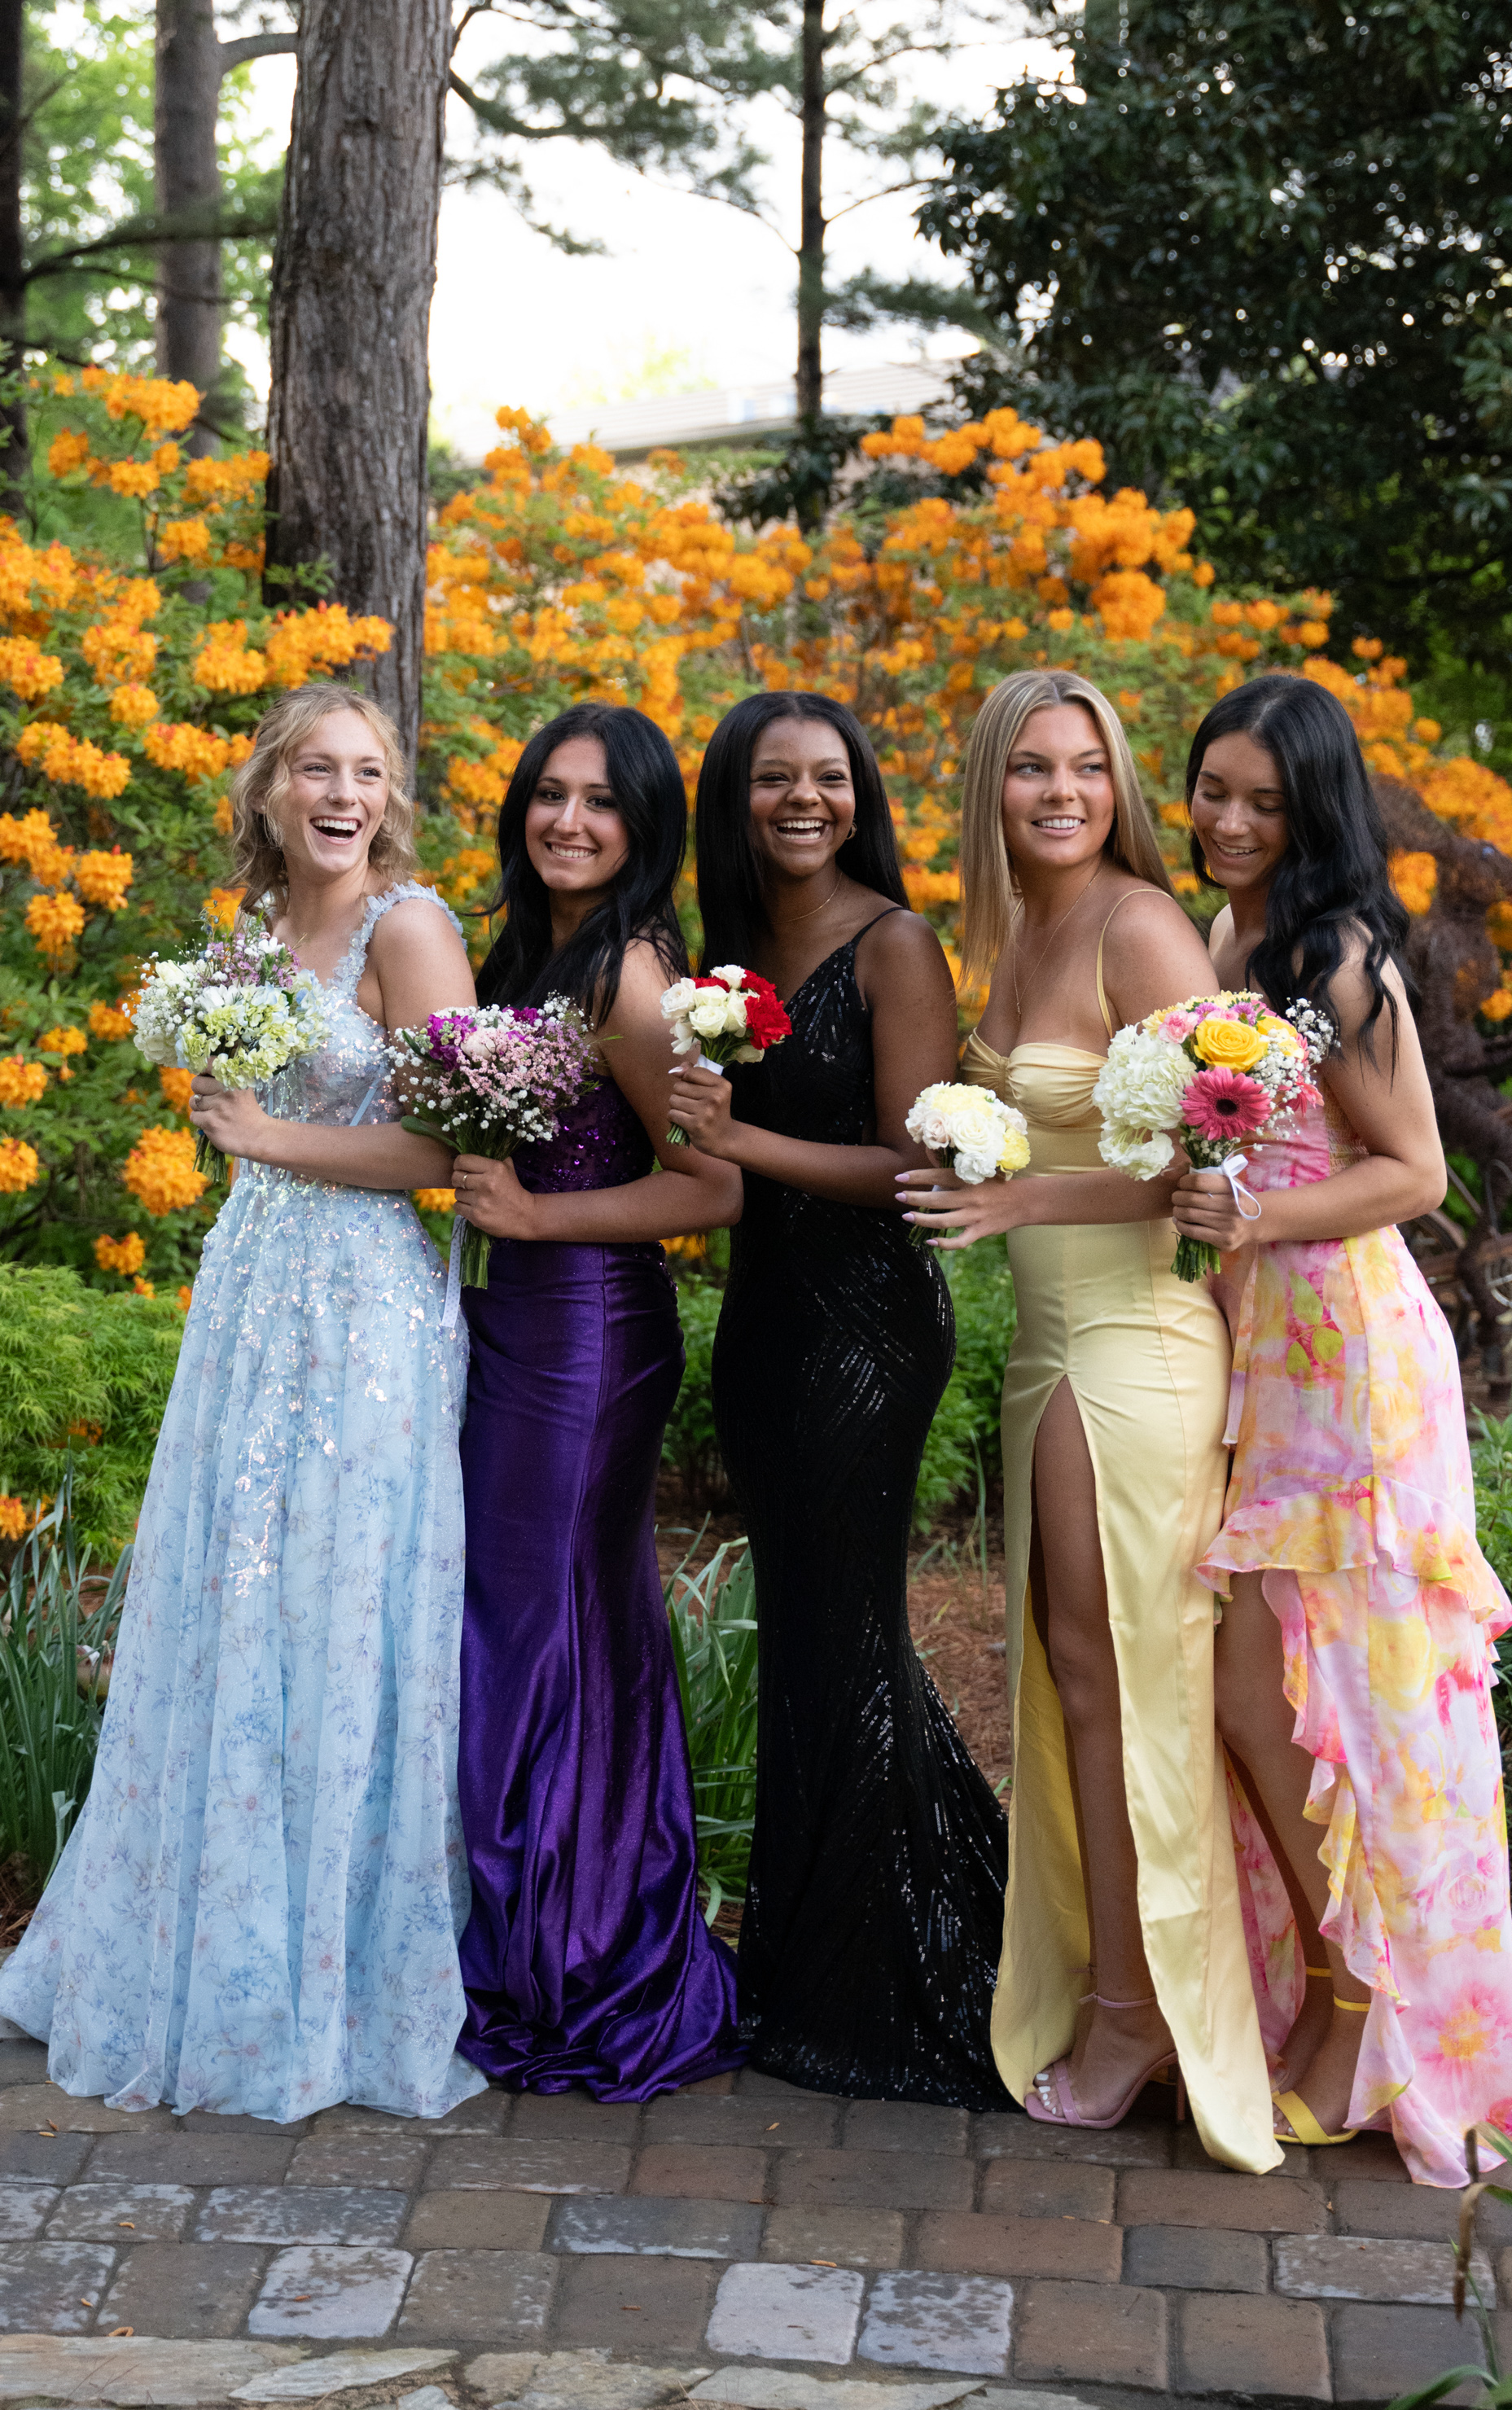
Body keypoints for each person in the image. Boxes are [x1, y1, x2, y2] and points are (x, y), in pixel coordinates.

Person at [0, 681, 486, 2123]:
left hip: (365, 1318)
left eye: (369, 773)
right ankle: (204, 1952)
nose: (344, 795)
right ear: (269, 790)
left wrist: (272, 1137)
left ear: (390, 800)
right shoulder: (254, 933)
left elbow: (452, 1150)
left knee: (336, 1609)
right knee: (232, 1604)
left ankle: (329, 1980)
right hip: (252, 1298)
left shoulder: (410, 930)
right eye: (316, 769)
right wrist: (250, 1142)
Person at [1170, 671, 1512, 2184]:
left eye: (1265, 803)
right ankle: (1341, 1993)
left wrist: (1250, 1217)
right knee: (1259, 1691)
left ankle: (1378, 2019)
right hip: (1260, 1344)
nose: (1230, 820)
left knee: (1356, 1699)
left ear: (1315, 812)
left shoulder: (1333, 954)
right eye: (1215, 790)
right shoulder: (1226, 937)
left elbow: (1415, 1174)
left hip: (1346, 1354)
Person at [898, 668, 1278, 2167]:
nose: (1061, 793)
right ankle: (1116, 1988)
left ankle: (1146, 2015)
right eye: (1030, 768)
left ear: (1116, 786)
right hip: (1048, 1350)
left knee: (1133, 1682)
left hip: (1140, 1346)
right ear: (990, 786)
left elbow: (1216, 1164)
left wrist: (1024, 1200)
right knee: (1072, 1678)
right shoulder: (1013, 931)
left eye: (1087, 767)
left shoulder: (1139, 926)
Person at [668, 689, 1010, 2108]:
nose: (803, 800)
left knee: (848, 1635)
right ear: (734, 798)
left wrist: (738, 1141)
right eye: (773, 778)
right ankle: (822, 1956)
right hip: (764, 1326)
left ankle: (886, 1989)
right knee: (812, 1643)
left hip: (865, 1328)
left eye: (828, 778)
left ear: (859, 796)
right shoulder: (727, 952)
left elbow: (911, 1167)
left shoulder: (894, 943)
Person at [448, 702, 745, 2097]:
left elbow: (714, 1186)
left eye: (601, 801)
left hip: (587, 1334)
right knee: (537, 1621)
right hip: (515, 1322)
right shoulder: (530, 948)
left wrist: (535, 1218)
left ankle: (584, 1953)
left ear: (644, 826)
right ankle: (542, 1927)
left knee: (549, 1627)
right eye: (550, 795)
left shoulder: (630, 974)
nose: (569, 822)